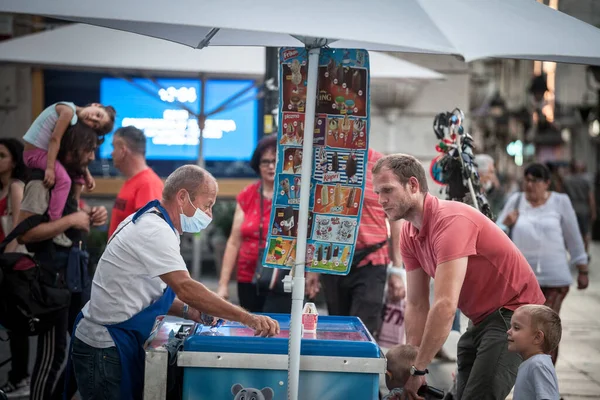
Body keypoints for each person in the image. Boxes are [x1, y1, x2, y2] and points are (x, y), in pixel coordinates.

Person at [71, 164, 280, 400]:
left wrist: (189, 311)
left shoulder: (158, 223)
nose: (209, 215)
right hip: (105, 348)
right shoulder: (155, 230)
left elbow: (144, 292)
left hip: (115, 342)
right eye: (207, 205)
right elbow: (186, 287)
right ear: (182, 197)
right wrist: (247, 318)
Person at [372, 154, 545, 400]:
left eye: (387, 190)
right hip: (481, 316)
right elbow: (417, 303)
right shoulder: (409, 234)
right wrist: (412, 363)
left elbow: (445, 305)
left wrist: (418, 368)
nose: (380, 200)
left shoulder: (449, 221)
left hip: (515, 312)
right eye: (378, 192)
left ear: (413, 185)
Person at [15, 121, 109, 400]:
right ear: (72, 147)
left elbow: (70, 223)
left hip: (74, 279)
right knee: (52, 356)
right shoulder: (41, 181)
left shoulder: (70, 180)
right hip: (50, 282)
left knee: (84, 348)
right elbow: (25, 234)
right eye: (88, 150)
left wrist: (89, 214)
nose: (92, 157)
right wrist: (72, 219)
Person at [306, 148, 405, 337]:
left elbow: (395, 217)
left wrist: (397, 270)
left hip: (371, 260)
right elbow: (317, 216)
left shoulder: (381, 165)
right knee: (336, 329)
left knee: (362, 331)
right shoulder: (324, 160)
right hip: (332, 259)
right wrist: (313, 267)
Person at [497, 163, 588, 365]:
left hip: (555, 279)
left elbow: (573, 236)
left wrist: (582, 267)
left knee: (544, 331)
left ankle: (545, 384)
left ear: (547, 183)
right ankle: (532, 381)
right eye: (526, 180)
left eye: (535, 181)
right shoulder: (516, 201)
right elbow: (495, 235)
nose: (529, 185)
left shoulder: (560, 202)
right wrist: (506, 224)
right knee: (527, 332)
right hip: (524, 281)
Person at [217, 135, 292, 312]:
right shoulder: (247, 195)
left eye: (275, 161)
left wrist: (312, 274)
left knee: (279, 332)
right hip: (248, 278)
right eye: (265, 162)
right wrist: (223, 284)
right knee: (251, 331)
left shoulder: (293, 196)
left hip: (283, 278)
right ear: (257, 165)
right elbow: (234, 241)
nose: (271, 166)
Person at [22, 102, 115, 226]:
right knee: (64, 180)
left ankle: (72, 210)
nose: (93, 119)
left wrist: (86, 174)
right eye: (98, 115)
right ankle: (55, 220)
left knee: (76, 177)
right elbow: (55, 139)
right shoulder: (68, 112)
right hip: (36, 153)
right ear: (96, 105)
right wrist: (50, 168)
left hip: (44, 154)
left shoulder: (74, 119)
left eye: (95, 124)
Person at [0, 138, 30, 398]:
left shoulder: (15, 187)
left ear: (14, 161)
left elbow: (19, 232)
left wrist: (5, 262)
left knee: (17, 324)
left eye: (2, 155)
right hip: (4, 264)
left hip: (12, 265)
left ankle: (20, 378)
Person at [107, 126, 164, 236]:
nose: (111, 153)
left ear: (123, 150)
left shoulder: (148, 184)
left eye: (113, 147)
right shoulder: (134, 180)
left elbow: (147, 234)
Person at [508, 305, 561, 400]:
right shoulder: (532, 363)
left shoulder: (538, 365)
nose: (508, 331)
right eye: (510, 327)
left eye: (516, 328)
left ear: (537, 337)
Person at [563, 161, 596, 253]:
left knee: (572, 232)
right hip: (584, 209)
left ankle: (575, 252)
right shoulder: (586, 180)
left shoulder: (567, 180)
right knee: (585, 233)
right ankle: (585, 253)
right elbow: (590, 197)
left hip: (571, 209)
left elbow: (563, 195)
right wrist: (593, 211)